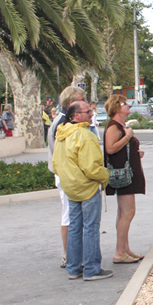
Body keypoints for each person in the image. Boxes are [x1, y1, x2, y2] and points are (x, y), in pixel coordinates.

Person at [52, 100, 111, 280]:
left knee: (75, 228)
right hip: (87, 186)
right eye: (88, 111)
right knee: (91, 228)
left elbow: (56, 162)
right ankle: (92, 269)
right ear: (76, 115)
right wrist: (105, 175)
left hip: (70, 187)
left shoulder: (61, 134)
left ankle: (73, 268)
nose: (92, 114)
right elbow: (91, 167)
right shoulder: (85, 135)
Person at [48, 86, 92, 268]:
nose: (86, 104)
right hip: (69, 176)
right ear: (70, 103)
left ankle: (75, 256)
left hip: (72, 175)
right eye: (82, 100)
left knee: (75, 217)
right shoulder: (62, 123)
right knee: (69, 216)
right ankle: (69, 256)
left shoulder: (66, 121)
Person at [103, 94, 146, 263]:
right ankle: (119, 252)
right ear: (116, 107)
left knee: (123, 213)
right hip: (123, 176)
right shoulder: (114, 127)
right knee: (128, 212)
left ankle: (125, 248)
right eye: (124, 103)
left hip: (127, 172)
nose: (128, 105)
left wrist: (135, 153)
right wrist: (128, 137)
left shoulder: (120, 126)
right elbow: (110, 148)